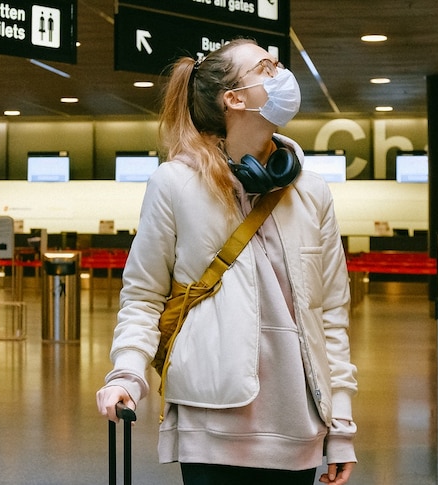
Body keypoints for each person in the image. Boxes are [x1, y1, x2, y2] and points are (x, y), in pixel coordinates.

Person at [96, 39, 358, 485]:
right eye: (266, 68)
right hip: (209, 421)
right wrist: (126, 375)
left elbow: (330, 314)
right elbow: (143, 296)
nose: (282, 75)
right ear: (234, 99)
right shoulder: (175, 184)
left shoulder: (312, 193)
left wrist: (342, 426)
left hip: (297, 425)